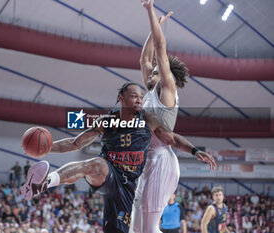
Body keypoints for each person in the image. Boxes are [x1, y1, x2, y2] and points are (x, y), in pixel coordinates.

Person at [22, 82, 216, 233]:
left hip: (128, 187)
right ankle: (44, 183)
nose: (140, 100)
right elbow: (75, 143)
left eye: (141, 96)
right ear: (121, 98)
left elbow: (172, 139)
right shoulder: (107, 121)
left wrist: (194, 151)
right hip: (109, 173)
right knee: (95, 164)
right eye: (134, 96)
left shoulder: (149, 120)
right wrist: (47, 149)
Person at [130, 1, 190, 232]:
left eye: (157, 72)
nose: (151, 72)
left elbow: (160, 48)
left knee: (147, 228)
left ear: (166, 77)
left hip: (162, 162)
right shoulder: (149, 93)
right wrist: (155, 25)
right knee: (136, 228)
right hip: (147, 160)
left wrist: (150, 12)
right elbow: (144, 60)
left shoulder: (167, 93)